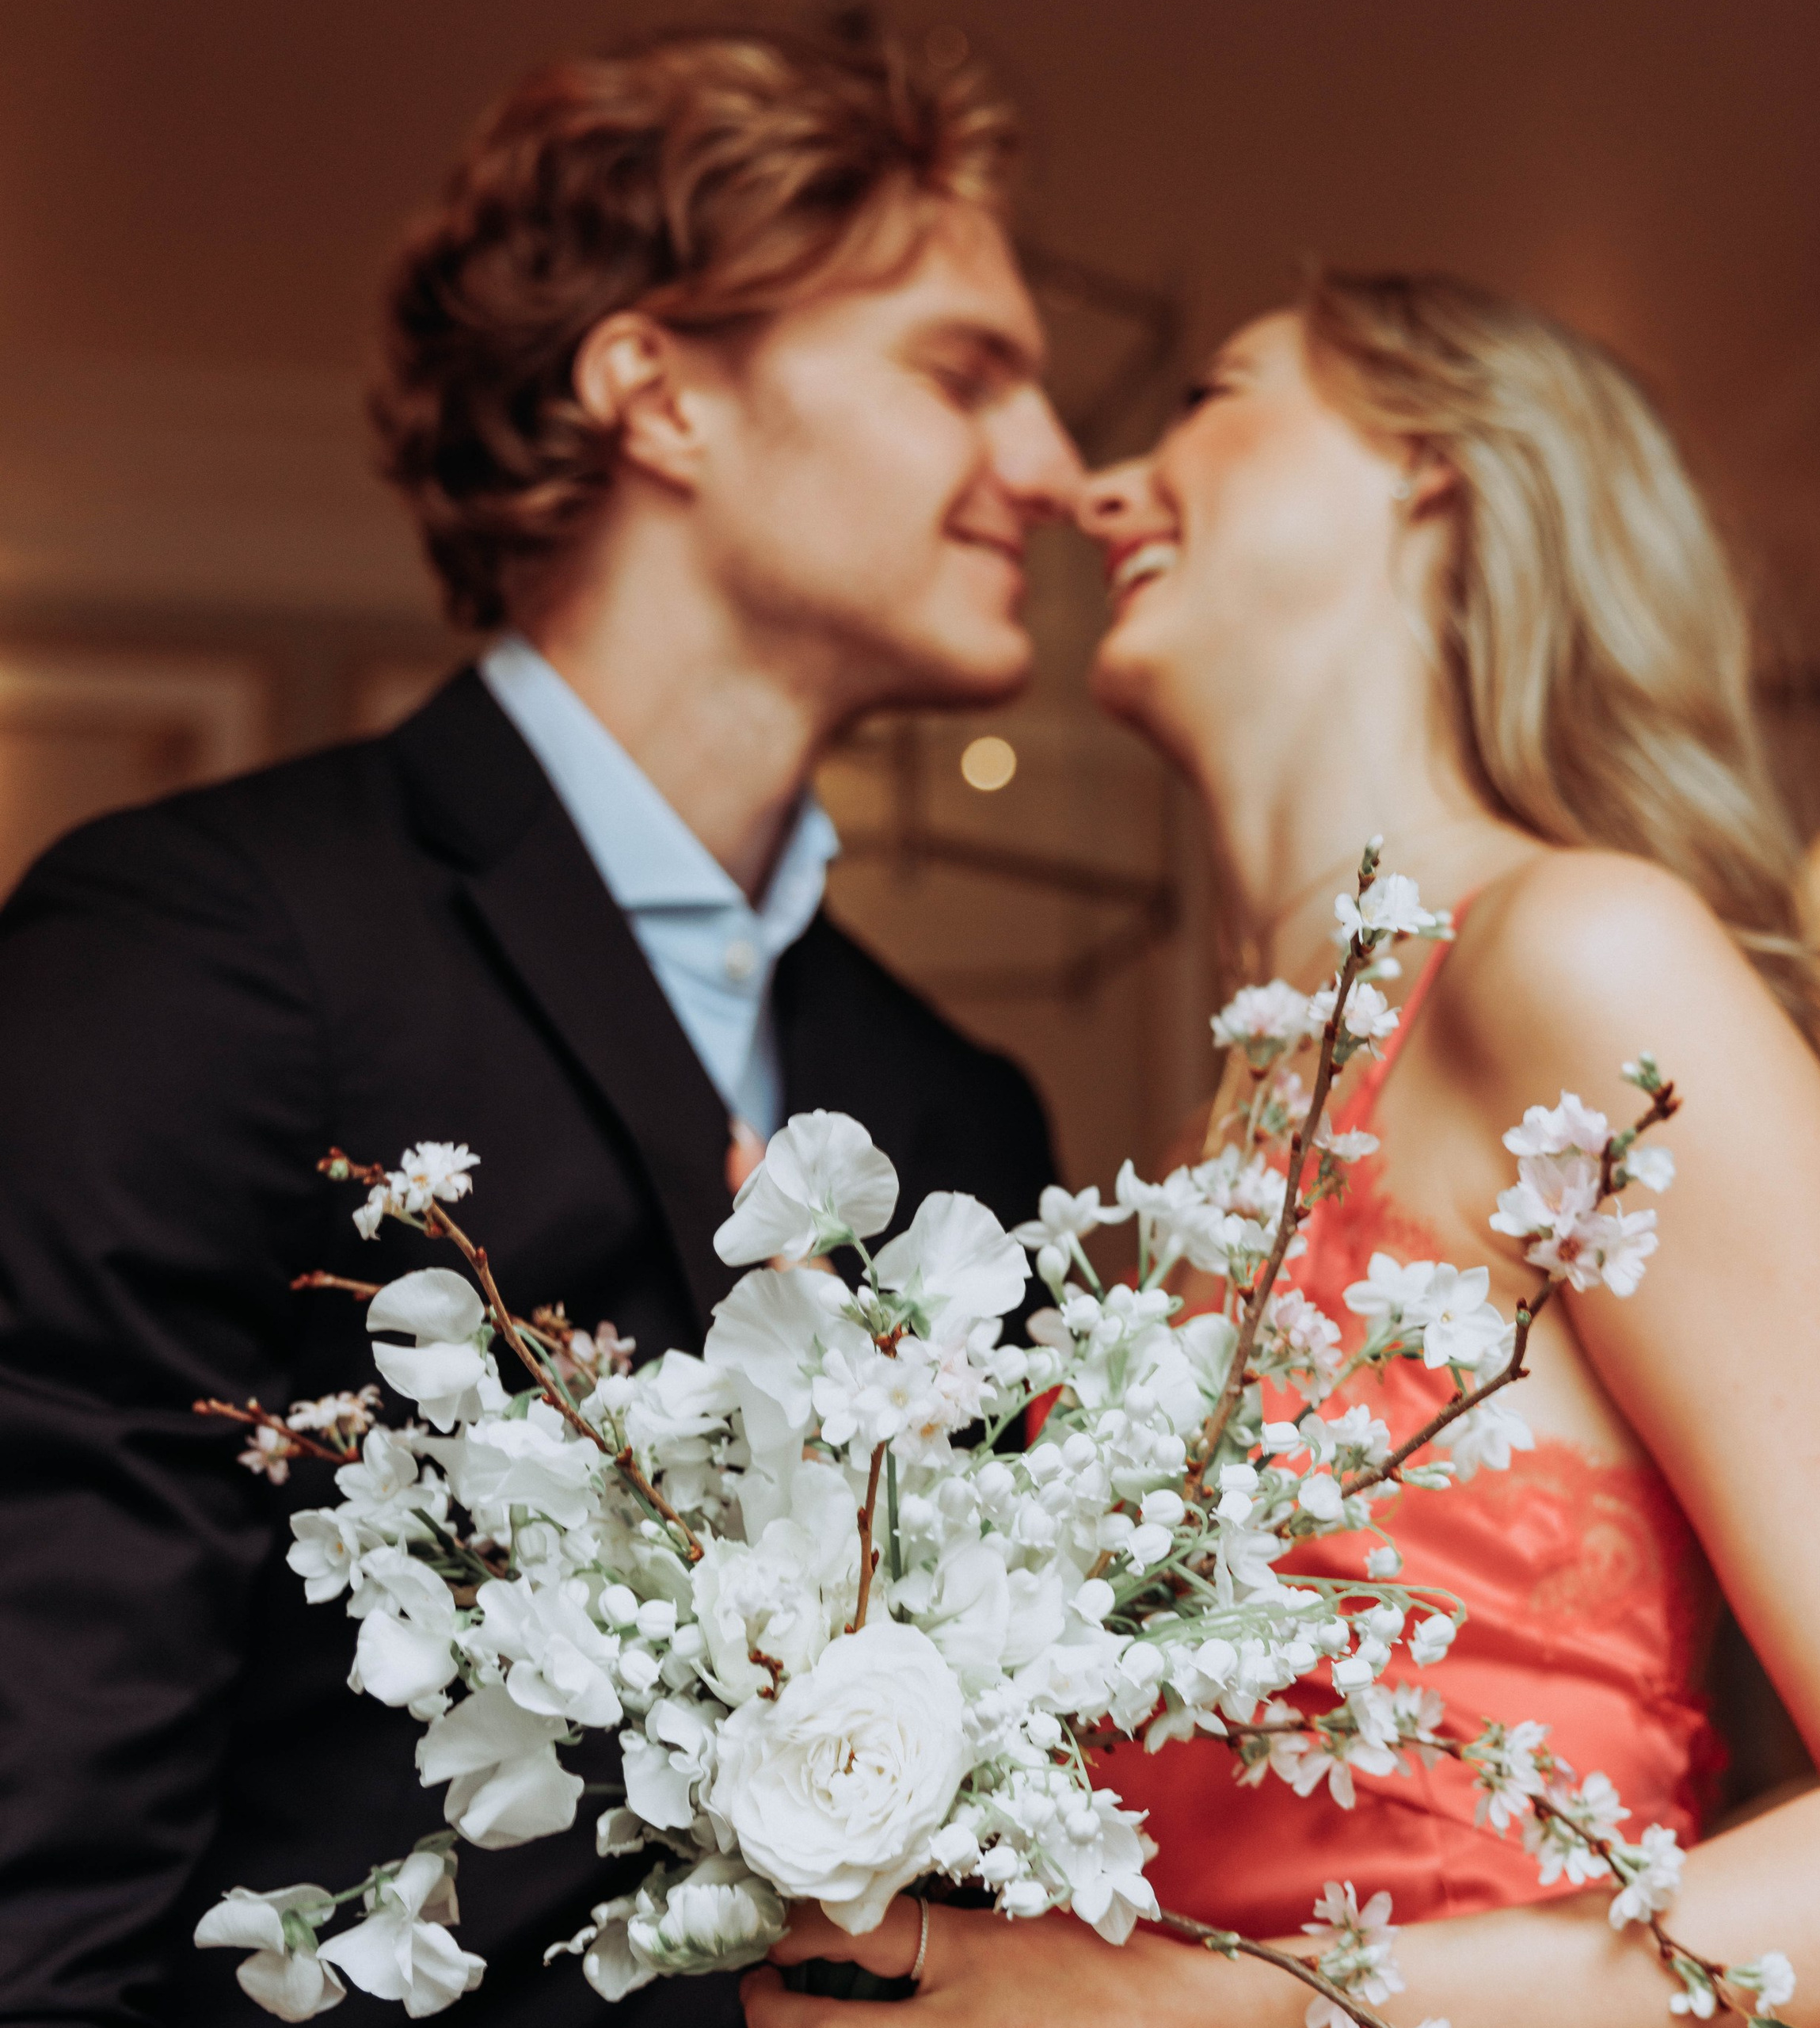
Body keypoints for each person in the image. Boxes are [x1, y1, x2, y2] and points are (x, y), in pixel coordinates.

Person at [743, 278, 1820, 2023]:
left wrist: (1200, 2011)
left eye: (1212, 392)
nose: (1100, 490)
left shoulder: (1578, 959)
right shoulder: (1196, 1161)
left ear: (1432, 463)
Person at [0, 29, 1079, 2027]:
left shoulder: (959, 1112)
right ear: (655, 391)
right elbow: (35, 1850)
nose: (1051, 466)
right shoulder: (204, 945)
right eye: (960, 372)